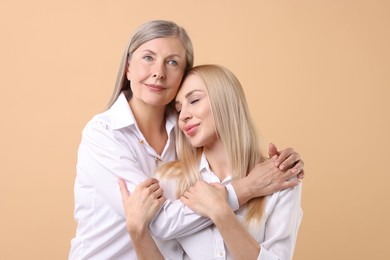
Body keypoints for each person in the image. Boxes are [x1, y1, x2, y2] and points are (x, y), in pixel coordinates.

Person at [70, 20, 304, 260]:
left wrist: (287, 164)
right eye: (148, 58)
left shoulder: (189, 132)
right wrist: (246, 189)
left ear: (182, 75)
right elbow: (158, 222)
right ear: (128, 67)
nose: (159, 72)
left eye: (172, 62)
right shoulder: (103, 134)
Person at [120, 64, 302, 259]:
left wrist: (221, 212)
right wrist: (137, 233)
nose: (183, 116)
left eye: (195, 100)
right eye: (179, 109)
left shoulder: (278, 177)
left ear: (226, 100)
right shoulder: (168, 179)